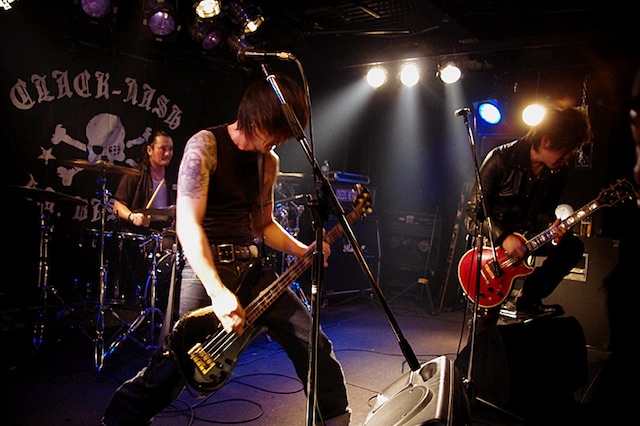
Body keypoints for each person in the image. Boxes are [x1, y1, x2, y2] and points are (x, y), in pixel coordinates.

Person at [101, 75, 351, 426]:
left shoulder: (269, 161)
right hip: (206, 268)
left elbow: (263, 224)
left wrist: (301, 250)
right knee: (173, 367)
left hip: (253, 269)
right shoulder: (206, 145)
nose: (278, 141)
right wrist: (218, 292)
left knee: (314, 346)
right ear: (257, 117)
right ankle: (118, 420)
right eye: (276, 130)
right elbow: (188, 224)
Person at [465, 105, 592, 323]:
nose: (567, 158)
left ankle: (529, 298)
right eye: (566, 151)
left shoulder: (558, 171)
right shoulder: (501, 158)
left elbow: (544, 211)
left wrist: (552, 229)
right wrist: (504, 237)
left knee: (572, 246)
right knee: (486, 323)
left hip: (528, 237)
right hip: (493, 244)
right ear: (546, 141)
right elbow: (473, 212)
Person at [113, 129, 176, 236]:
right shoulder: (135, 174)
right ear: (149, 150)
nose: (167, 153)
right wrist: (132, 217)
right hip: (140, 233)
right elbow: (117, 206)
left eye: (170, 149)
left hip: (166, 232)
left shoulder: (173, 177)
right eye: (162, 149)